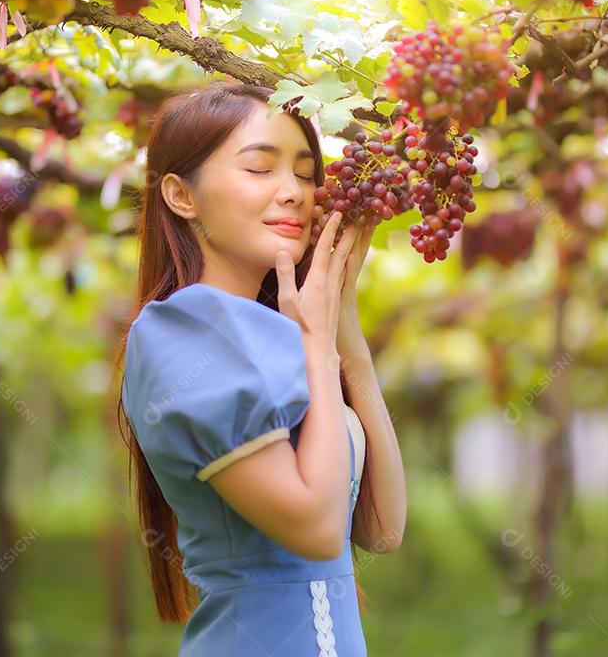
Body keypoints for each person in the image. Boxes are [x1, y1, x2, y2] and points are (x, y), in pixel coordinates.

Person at [115, 80, 406, 656]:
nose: (294, 192)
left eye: (304, 172)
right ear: (180, 196)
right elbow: (319, 532)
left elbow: (381, 529)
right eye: (259, 169)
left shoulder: (279, 332)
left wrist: (345, 328)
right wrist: (319, 344)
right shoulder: (183, 330)